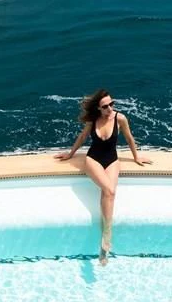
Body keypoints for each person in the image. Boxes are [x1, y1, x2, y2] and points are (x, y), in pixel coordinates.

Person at [55, 90, 152, 264]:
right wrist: (71, 154)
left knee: (110, 193)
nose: (110, 108)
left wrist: (136, 157)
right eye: (105, 106)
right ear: (99, 108)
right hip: (93, 159)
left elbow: (129, 138)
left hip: (112, 160)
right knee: (108, 189)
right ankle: (107, 235)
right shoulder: (93, 121)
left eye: (112, 104)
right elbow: (83, 136)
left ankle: (105, 235)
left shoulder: (120, 119)